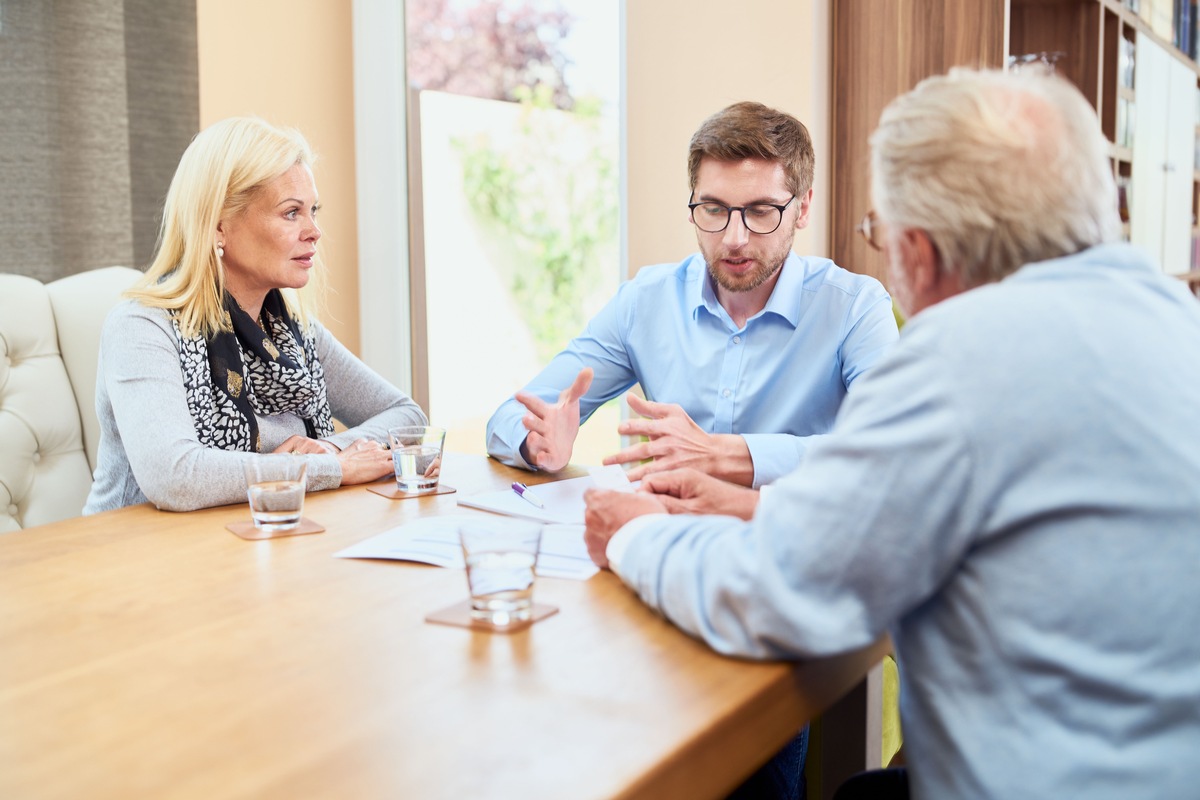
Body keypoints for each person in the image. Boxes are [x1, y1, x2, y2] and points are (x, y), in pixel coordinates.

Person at [582, 67, 1200, 799]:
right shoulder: (1174, 321)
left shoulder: (961, 356)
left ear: (919, 251)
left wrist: (632, 533)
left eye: (879, 234)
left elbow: (770, 598)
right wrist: (760, 505)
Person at [486, 101, 897, 489]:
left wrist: (727, 454)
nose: (735, 239)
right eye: (714, 209)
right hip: (669, 543)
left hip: (794, 547)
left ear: (802, 209)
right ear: (691, 206)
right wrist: (536, 442)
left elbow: (892, 449)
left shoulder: (854, 307)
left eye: (760, 211)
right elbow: (508, 419)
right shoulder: (645, 302)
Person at [85, 117, 426, 514]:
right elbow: (175, 477)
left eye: (313, 210)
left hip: (252, 541)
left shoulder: (294, 334)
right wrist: (324, 468)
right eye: (291, 213)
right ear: (218, 227)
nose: (314, 230)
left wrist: (333, 447)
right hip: (136, 557)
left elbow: (407, 417)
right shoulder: (143, 327)